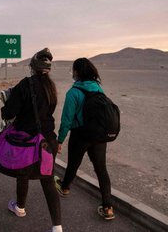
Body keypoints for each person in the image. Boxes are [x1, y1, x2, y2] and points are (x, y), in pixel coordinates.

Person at [1, 48, 63, 232]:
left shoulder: (25, 85)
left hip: (27, 141)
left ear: (32, 67)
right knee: (48, 181)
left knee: (23, 173)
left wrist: (8, 101)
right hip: (47, 140)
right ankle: (57, 227)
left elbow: (9, 113)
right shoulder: (51, 88)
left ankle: (20, 208)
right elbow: (48, 112)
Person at [55, 57, 115, 220]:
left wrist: (60, 140)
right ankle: (108, 207)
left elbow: (67, 120)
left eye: (73, 70)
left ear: (77, 72)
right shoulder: (98, 88)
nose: (72, 73)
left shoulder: (73, 92)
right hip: (99, 136)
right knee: (101, 170)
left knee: (73, 164)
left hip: (80, 135)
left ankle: (65, 187)